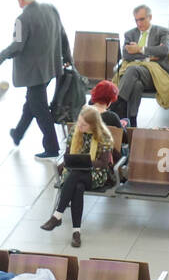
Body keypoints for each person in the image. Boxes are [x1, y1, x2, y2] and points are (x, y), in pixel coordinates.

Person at [0, 0, 69, 159]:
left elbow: (17, 46)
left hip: (34, 74)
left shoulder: (22, 19)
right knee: (32, 103)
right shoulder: (51, 9)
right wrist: (67, 57)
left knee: (40, 109)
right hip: (50, 68)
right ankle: (18, 133)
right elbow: (62, 34)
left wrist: (2, 55)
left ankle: (52, 147)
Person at [40, 105, 116, 248]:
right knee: (78, 186)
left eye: (83, 124)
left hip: (95, 174)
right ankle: (76, 233)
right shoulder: (75, 131)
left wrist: (85, 162)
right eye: (79, 122)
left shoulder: (103, 136)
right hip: (75, 173)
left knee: (75, 175)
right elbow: (69, 154)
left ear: (93, 125)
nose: (79, 126)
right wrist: (68, 163)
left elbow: (104, 164)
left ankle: (57, 215)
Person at [114, 4, 169, 129]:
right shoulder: (130, 34)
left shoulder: (161, 31)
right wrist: (149, 57)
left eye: (142, 19)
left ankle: (118, 104)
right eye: (136, 20)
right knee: (136, 84)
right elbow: (126, 56)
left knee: (132, 69)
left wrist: (139, 49)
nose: (139, 23)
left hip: (154, 73)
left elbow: (164, 51)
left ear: (150, 17)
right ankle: (132, 120)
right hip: (135, 74)